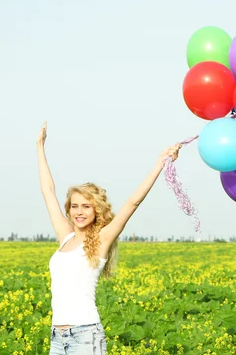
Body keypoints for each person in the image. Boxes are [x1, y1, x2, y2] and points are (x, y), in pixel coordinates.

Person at [36, 121, 181, 355]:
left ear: (96, 211)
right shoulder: (65, 237)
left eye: (86, 206)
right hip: (56, 337)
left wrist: (161, 162)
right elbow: (47, 191)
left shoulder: (102, 239)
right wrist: (40, 146)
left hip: (84, 335)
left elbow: (133, 202)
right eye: (74, 206)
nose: (79, 212)